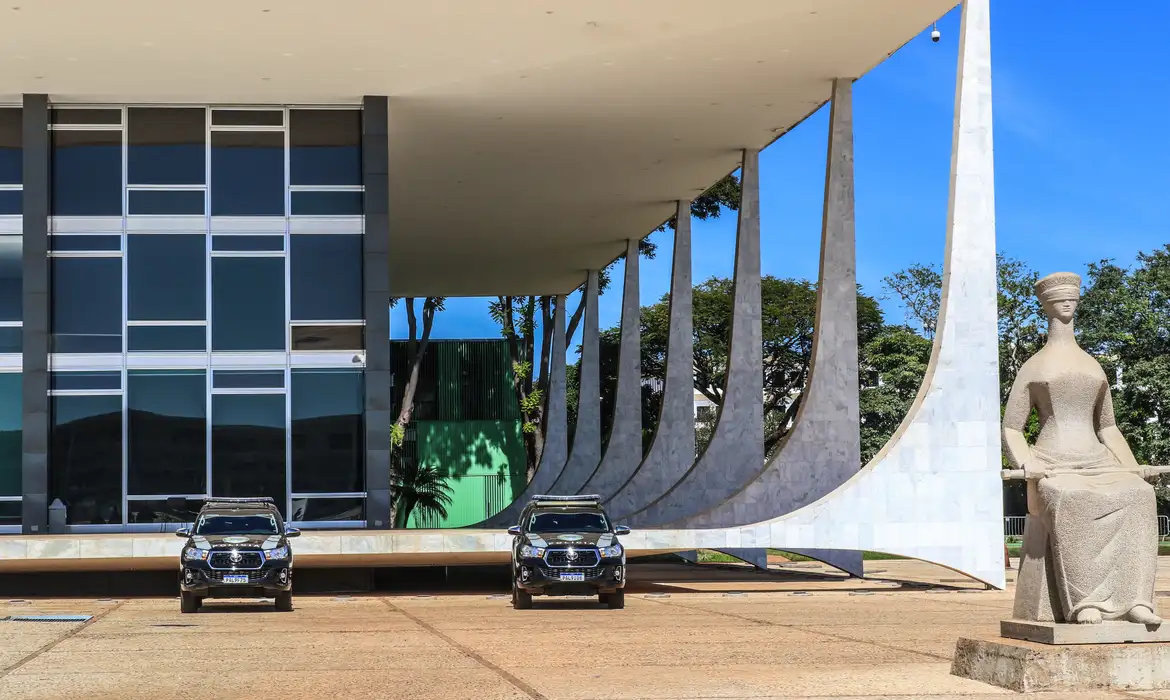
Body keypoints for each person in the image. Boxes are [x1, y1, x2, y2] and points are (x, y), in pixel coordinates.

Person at [1002, 271, 1160, 625]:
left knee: (1140, 495)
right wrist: (1028, 464)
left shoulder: (1093, 365)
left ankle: (1135, 599)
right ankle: (1086, 601)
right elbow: (1012, 427)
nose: (1067, 304)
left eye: (1072, 299)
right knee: (1073, 499)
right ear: (1047, 306)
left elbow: (1109, 427)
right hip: (1054, 464)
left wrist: (1132, 467)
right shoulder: (1034, 367)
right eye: (1060, 300)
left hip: (1098, 460)